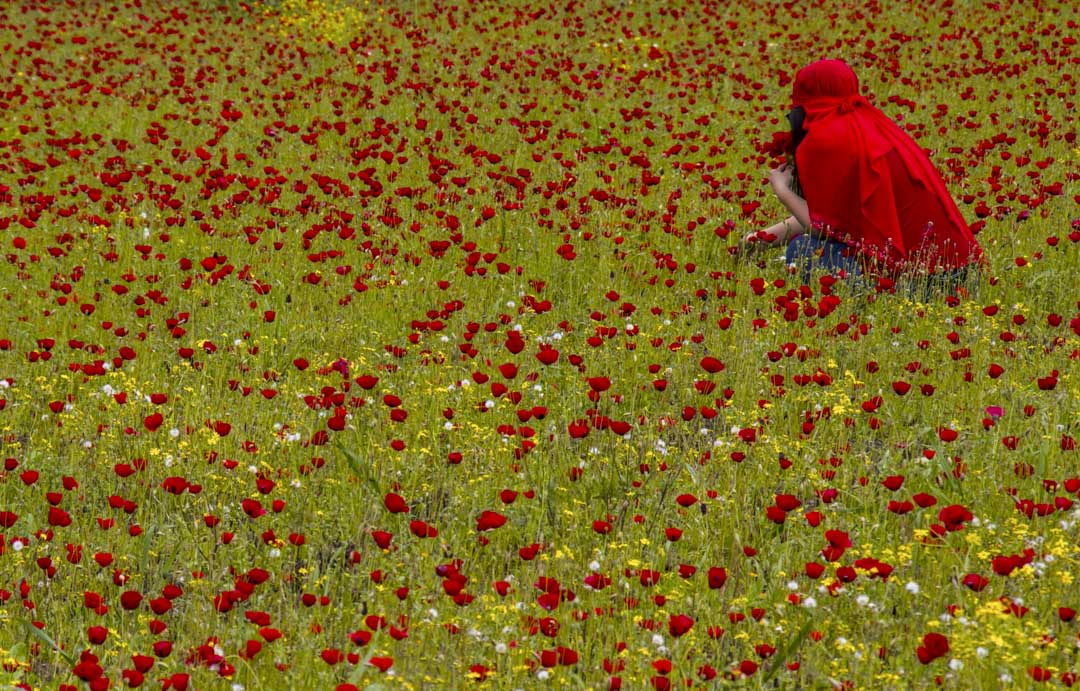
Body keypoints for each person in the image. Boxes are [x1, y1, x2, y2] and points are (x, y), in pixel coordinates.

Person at [742, 59, 985, 291]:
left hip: (919, 284)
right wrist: (760, 239)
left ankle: (866, 295)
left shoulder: (825, 138)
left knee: (804, 249)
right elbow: (836, 217)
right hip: (961, 275)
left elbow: (823, 229)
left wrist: (783, 191)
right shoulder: (871, 126)